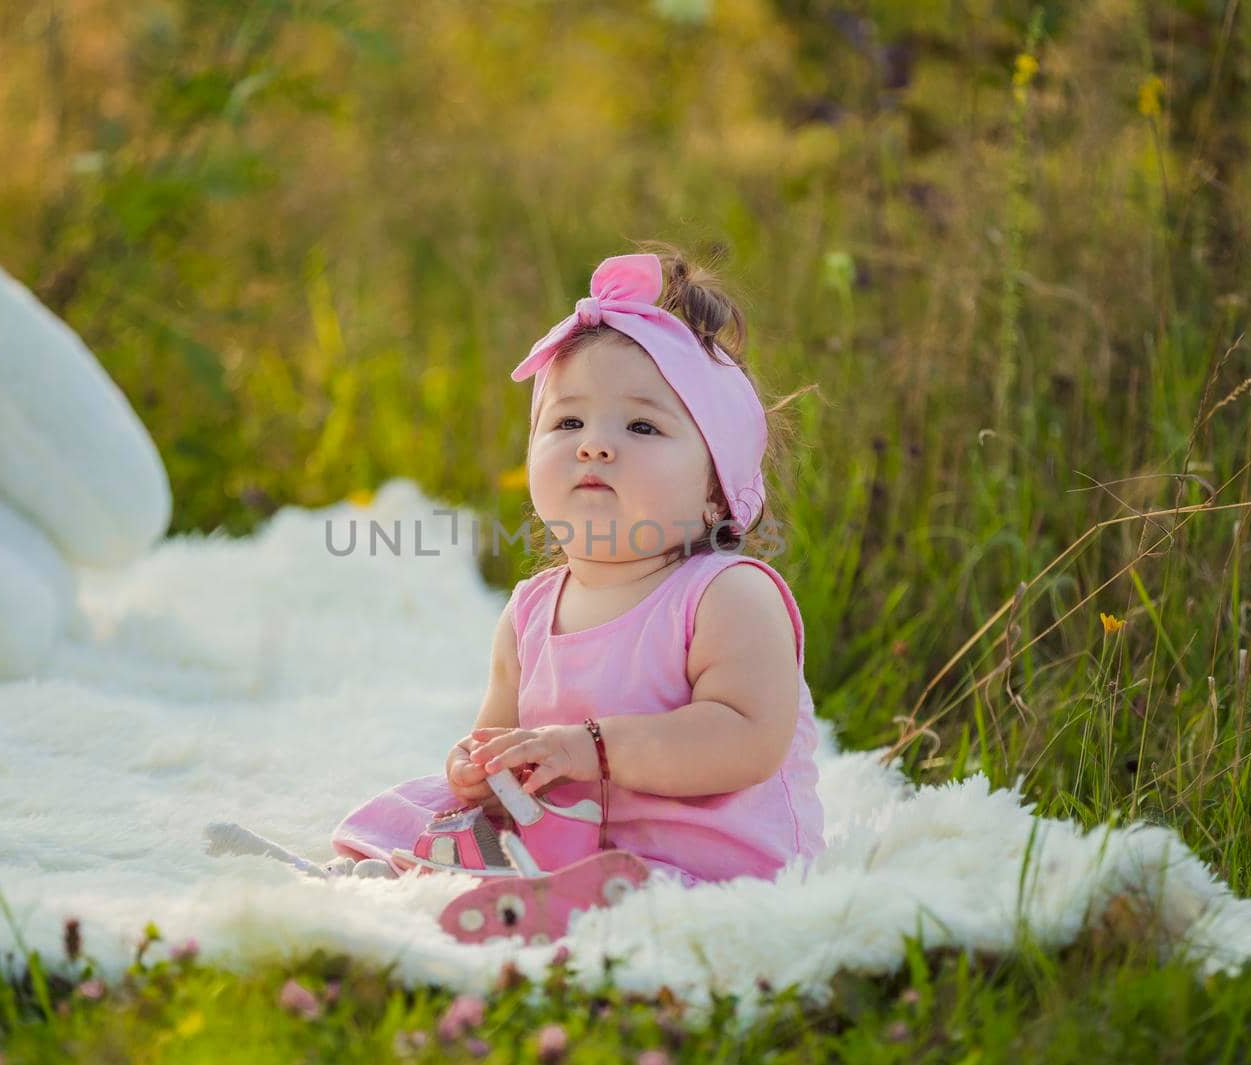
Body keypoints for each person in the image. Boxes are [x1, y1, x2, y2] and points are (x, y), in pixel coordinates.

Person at [209, 243, 825, 889]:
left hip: (712, 859)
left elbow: (748, 739)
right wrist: (476, 768)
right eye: (568, 420)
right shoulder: (532, 609)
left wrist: (591, 747)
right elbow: (498, 735)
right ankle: (362, 878)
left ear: (715, 492)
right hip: (570, 842)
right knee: (425, 807)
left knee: (609, 883)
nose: (593, 442)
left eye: (641, 427)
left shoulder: (726, 595)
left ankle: (533, 897)